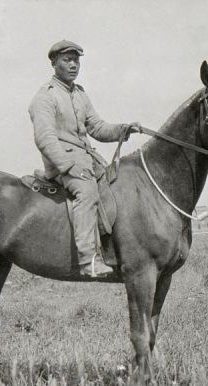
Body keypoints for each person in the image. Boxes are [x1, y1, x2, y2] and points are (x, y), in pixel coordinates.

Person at [28, 40, 141, 277]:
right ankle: (88, 259)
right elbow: (45, 138)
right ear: (54, 63)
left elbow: (97, 128)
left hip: (88, 160)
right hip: (64, 165)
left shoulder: (79, 94)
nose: (73, 65)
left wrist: (124, 129)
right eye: (67, 60)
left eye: (76, 60)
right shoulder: (45, 97)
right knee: (87, 192)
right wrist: (68, 167)